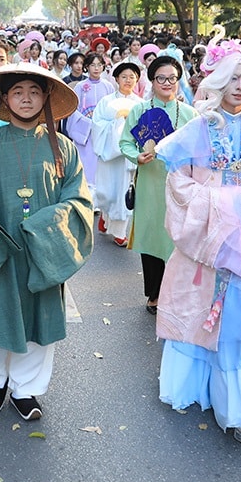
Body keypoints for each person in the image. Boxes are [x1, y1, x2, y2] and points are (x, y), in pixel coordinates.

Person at [153, 38, 241, 445]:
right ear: (217, 80)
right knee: (198, 309)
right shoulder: (199, 128)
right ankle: (199, 389)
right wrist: (219, 204)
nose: (240, 85)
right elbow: (178, 183)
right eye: (232, 78)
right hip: (207, 238)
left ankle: (237, 410)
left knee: (238, 321)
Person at [0, 63, 93, 422]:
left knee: (39, 320)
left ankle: (26, 388)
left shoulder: (62, 147)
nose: (26, 98)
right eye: (18, 92)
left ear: (46, 97)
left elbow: (78, 201)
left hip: (44, 251)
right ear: (4, 98)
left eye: (34, 91)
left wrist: (44, 227)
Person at [120, 55, 198, 314]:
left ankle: (177, 294)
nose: (167, 83)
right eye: (161, 78)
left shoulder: (190, 114)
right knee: (153, 238)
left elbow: (200, 150)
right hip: (150, 184)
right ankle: (154, 293)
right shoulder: (139, 111)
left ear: (178, 81)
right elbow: (125, 143)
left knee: (178, 239)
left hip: (182, 185)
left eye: (172, 78)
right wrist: (137, 156)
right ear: (152, 81)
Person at [91, 60, 142, 246]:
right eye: (124, 77)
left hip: (129, 158)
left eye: (132, 77)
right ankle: (105, 214)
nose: (128, 80)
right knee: (108, 193)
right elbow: (97, 126)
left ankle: (119, 232)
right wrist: (118, 124)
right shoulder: (106, 102)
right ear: (116, 79)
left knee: (125, 192)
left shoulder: (141, 103)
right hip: (110, 156)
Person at [64, 53, 115, 198]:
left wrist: (103, 124)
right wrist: (87, 123)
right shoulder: (80, 87)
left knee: (101, 163)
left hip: (103, 132)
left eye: (99, 65)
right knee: (86, 162)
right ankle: (86, 195)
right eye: (93, 65)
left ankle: (100, 197)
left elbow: (112, 109)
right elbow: (74, 110)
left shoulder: (109, 86)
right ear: (87, 67)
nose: (96, 68)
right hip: (85, 133)